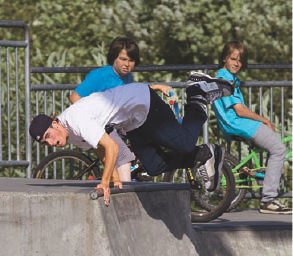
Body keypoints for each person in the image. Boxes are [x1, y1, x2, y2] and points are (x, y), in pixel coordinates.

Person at [29, 72, 234, 206]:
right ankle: (202, 155)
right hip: (132, 122)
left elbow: (111, 148)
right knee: (153, 166)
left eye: (49, 136)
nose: (51, 142)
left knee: (185, 143)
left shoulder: (75, 120)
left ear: (55, 123)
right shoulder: (69, 134)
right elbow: (99, 149)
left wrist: (105, 183)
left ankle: (196, 94)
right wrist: (115, 179)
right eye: (45, 143)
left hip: (142, 104)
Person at [69, 37, 171, 182]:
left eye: (131, 60)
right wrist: (92, 123)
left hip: (118, 125)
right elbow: (74, 97)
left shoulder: (127, 77)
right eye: (123, 59)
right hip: (103, 127)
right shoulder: (100, 76)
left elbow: (134, 94)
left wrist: (158, 87)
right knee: (124, 160)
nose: (127, 64)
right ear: (113, 57)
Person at [212, 40, 291, 214]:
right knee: (279, 149)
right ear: (225, 58)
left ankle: (260, 176)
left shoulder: (228, 78)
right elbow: (239, 110)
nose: (237, 63)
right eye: (233, 59)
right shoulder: (225, 79)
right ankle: (268, 200)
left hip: (234, 124)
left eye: (240, 61)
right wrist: (264, 119)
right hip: (239, 124)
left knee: (272, 146)